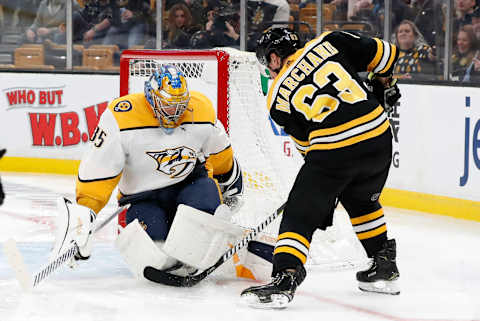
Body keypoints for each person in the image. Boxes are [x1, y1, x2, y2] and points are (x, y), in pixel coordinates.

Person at [240, 27, 402, 308]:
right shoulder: (331, 41)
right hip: (378, 136)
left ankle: (285, 276)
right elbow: (387, 54)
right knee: (362, 200)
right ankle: (384, 266)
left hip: (333, 148)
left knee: (299, 214)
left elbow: (308, 150)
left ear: (275, 58)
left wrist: (320, 196)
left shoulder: (277, 97)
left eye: (268, 60)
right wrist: (384, 83)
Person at [51, 64, 246, 279]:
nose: (175, 113)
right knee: (154, 248)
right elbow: (99, 169)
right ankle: (179, 248)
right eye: (168, 105)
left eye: (180, 106)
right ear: (151, 97)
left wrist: (230, 187)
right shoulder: (121, 117)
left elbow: (221, 154)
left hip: (189, 185)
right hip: (144, 197)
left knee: (204, 200)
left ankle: (200, 245)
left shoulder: (201, 110)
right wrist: (84, 216)